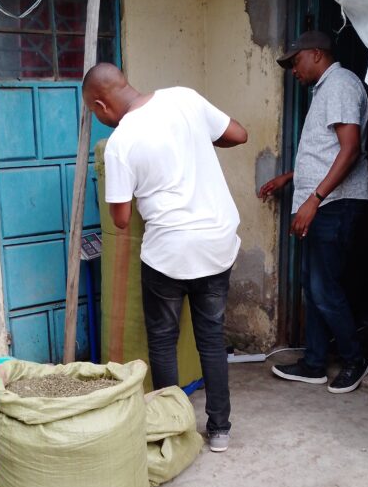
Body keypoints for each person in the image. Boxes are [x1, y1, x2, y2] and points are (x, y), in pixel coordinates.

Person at [82, 62, 247, 452]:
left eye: (94, 112)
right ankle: (220, 430)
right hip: (217, 242)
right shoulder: (184, 98)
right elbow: (238, 134)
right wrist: (197, 146)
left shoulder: (121, 142)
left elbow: (121, 219)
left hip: (169, 252)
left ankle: (174, 429)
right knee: (211, 338)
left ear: (101, 105)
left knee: (162, 340)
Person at [259, 30, 368, 394]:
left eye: (296, 61)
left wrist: (314, 199)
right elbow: (328, 152)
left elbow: (349, 150)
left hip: (335, 204)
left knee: (324, 288)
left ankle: (356, 358)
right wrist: (291, 178)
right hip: (326, 202)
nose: (294, 70)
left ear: (317, 54)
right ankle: (314, 363)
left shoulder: (340, 84)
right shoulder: (326, 89)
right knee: (314, 286)